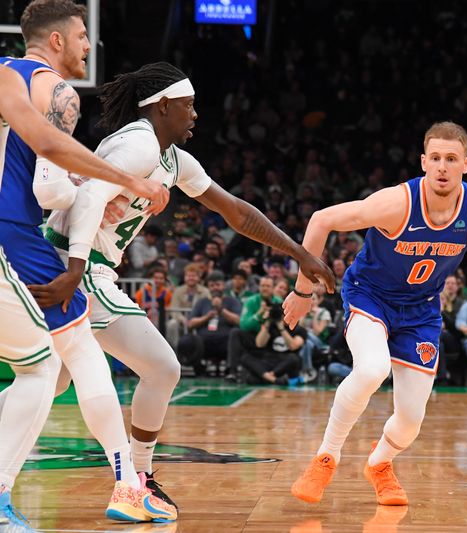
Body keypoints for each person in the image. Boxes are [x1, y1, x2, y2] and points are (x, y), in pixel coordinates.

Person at [39, 62, 335, 509]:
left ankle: (134, 480)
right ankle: (139, 479)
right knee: (162, 367)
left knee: (48, 382)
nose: (195, 115)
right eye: (188, 106)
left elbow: (236, 212)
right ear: (162, 107)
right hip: (74, 264)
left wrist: (301, 254)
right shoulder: (137, 142)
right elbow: (90, 195)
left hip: (79, 263)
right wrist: (77, 265)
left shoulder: (172, 159)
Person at [282, 122, 467, 506]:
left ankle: (380, 464)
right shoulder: (396, 203)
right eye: (435, 158)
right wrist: (303, 290)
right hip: (370, 296)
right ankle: (326, 455)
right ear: (423, 161)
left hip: (421, 310)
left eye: (451, 159)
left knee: (410, 421)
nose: (442, 166)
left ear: (466, 164)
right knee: (372, 369)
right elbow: (321, 220)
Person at [0, 1, 174, 524]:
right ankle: (120, 484)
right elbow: (50, 188)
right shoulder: (55, 91)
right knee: (54, 363)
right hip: (12, 235)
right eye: (80, 36)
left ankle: (126, 481)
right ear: (54, 41)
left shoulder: (7, 74)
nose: (87, 46)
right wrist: (123, 182)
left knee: (55, 359)